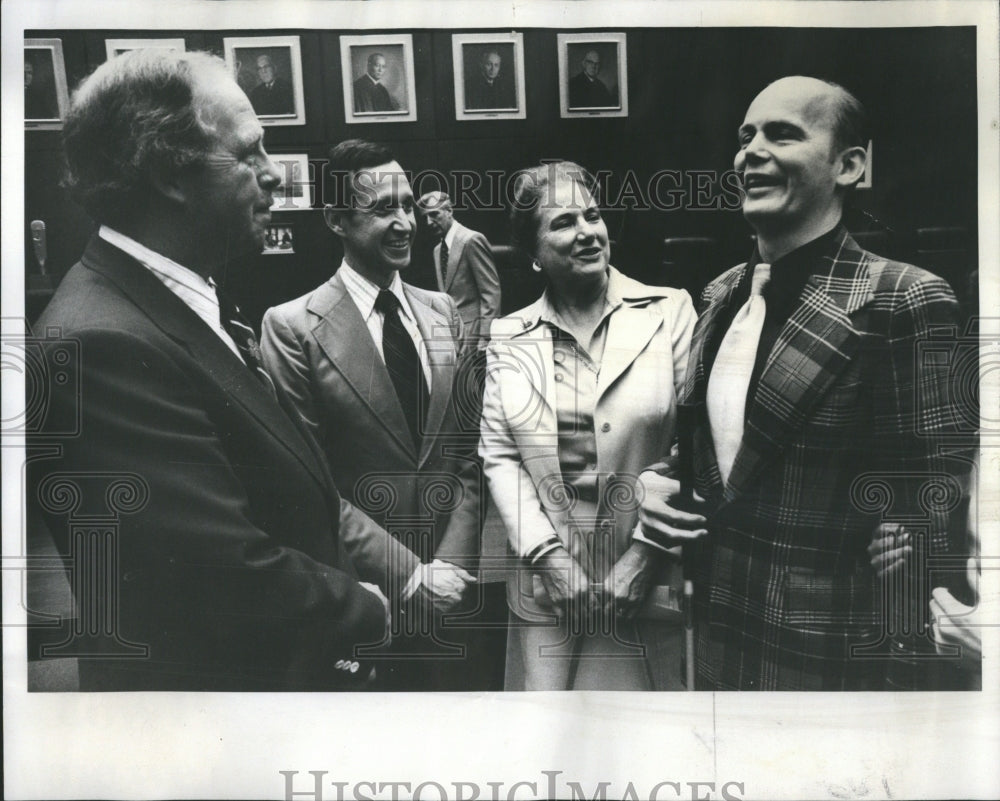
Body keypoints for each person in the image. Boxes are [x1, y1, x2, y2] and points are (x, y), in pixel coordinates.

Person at [27, 50, 411, 691]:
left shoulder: (159, 298)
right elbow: (220, 576)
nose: (275, 178)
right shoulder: (100, 345)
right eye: (250, 154)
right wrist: (370, 608)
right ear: (169, 174)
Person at [638, 76, 964, 690]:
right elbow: (716, 450)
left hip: (831, 651)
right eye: (745, 137)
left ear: (849, 165)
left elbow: (941, 476)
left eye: (782, 134)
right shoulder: (720, 293)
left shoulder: (904, 299)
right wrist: (655, 481)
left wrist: (914, 533)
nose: (751, 152)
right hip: (715, 636)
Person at [260, 140, 483, 690]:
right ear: (337, 218)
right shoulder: (292, 328)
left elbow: (467, 454)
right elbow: (306, 485)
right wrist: (410, 578)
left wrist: (449, 572)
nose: (406, 222)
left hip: (452, 591)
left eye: (409, 205)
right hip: (362, 593)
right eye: (385, 209)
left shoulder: (443, 312)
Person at [479, 161, 696, 690]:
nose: (586, 232)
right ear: (533, 254)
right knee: (552, 743)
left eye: (592, 215)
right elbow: (501, 458)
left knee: (650, 746)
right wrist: (550, 561)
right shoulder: (510, 336)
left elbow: (693, 446)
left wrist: (644, 556)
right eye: (562, 222)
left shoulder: (669, 312)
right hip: (549, 586)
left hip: (649, 579)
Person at [418, 191, 501, 351]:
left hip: (475, 336)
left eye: (434, 214)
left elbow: (491, 293)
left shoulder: (472, 240)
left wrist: (485, 337)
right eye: (425, 218)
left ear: (449, 211)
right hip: (452, 337)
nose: (429, 222)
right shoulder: (437, 251)